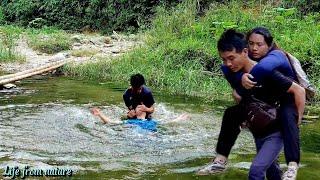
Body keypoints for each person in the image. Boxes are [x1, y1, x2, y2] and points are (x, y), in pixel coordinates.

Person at [197, 29, 305, 180]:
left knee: (256, 172)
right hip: (261, 125)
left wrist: (296, 121)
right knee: (272, 172)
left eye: (231, 58)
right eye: (223, 59)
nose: (228, 63)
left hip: (277, 125)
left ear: (245, 52)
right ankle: (220, 160)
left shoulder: (266, 71)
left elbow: (299, 91)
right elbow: (239, 96)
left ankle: (293, 165)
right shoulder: (235, 73)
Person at [243, 27, 303, 180]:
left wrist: (299, 119)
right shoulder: (249, 55)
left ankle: (292, 166)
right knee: (267, 159)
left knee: (288, 119)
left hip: (289, 98)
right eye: (251, 43)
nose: (254, 48)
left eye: (259, 44)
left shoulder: (276, 55)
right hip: (268, 102)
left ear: (269, 45)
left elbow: (299, 92)